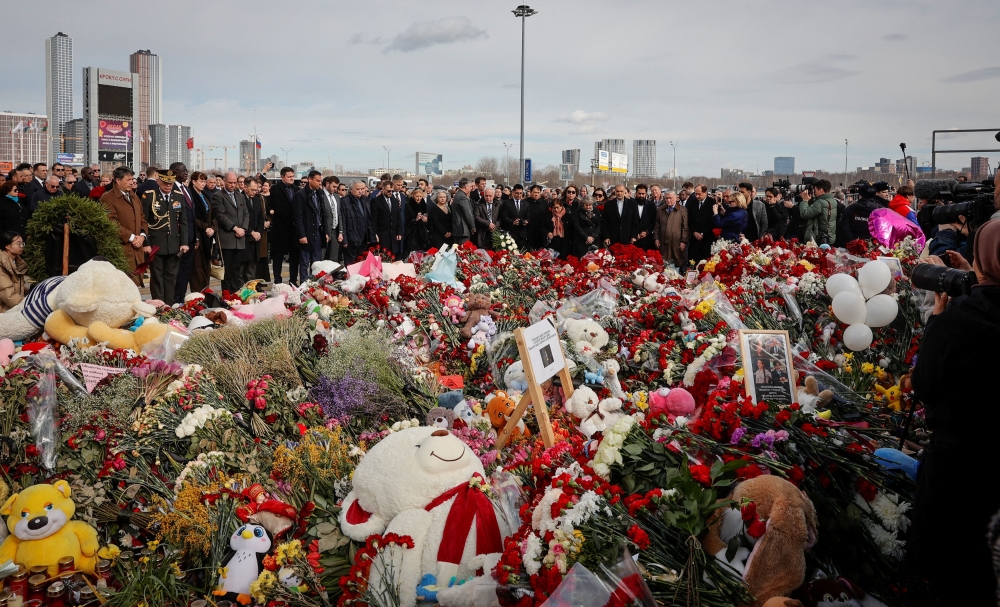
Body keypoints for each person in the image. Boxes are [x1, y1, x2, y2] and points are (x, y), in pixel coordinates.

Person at [910, 221, 1000, 604]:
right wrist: (974, 278)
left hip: (960, 466)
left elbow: (926, 384)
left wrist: (937, 322)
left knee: (956, 569)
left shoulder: (959, 320)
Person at [141, 170, 189, 305]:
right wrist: (146, 243)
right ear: (158, 182)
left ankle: (168, 306)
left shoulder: (178, 196)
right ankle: (158, 306)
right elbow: (143, 221)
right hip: (156, 243)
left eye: (171, 183)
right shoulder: (150, 196)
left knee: (171, 278)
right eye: (165, 183)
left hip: (174, 244)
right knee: (157, 277)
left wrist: (184, 242)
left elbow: (183, 221)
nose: (168, 186)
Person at [100, 167, 149, 281]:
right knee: (123, 286)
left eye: (132, 179)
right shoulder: (107, 198)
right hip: (121, 251)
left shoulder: (134, 196)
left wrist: (142, 236)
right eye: (128, 180)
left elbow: (142, 218)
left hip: (137, 250)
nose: (132, 182)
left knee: (135, 286)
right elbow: (111, 223)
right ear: (117, 180)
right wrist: (132, 238)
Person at [211, 172, 250, 293]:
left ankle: (236, 295)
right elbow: (220, 215)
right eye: (230, 183)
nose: (233, 185)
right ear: (224, 181)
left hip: (240, 239)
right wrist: (234, 228)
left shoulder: (240, 196)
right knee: (227, 272)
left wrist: (243, 228)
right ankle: (227, 296)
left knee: (237, 270)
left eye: (235, 183)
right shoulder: (218, 196)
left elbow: (246, 214)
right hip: (227, 239)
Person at [292, 170, 330, 283]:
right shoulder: (300, 195)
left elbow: (324, 215)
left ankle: (315, 284)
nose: (320, 183)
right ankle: (304, 284)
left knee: (317, 261)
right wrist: (302, 234)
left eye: (320, 181)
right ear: (310, 180)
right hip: (307, 232)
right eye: (317, 181)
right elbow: (297, 217)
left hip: (318, 232)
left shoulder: (320, 194)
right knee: (304, 261)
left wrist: (326, 232)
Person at [170, 163, 199, 303]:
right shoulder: (172, 188)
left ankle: (180, 299)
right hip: (179, 239)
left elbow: (192, 215)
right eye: (184, 170)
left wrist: (196, 236)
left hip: (191, 238)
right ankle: (174, 301)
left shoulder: (186, 189)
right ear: (175, 172)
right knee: (177, 272)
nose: (186, 173)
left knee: (186, 272)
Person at [267, 167, 299, 284]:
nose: (292, 178)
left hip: (294, 230)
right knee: (278, 256)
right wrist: (292, 219)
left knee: (295, 257)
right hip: (281, 228)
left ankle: (293, 281)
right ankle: (278, 280)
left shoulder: (296, 189)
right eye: (289, 177)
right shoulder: (276, 189)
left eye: (292, 176)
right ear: (282, 177)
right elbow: (278, 207)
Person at [187, 171, 215, 293]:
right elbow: (192, 217)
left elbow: (212, 214)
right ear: (193, 181)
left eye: (205, 181)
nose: (203, 184)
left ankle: (205, 291)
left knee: (206, 265)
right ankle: (198, 294)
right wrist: (205, 227)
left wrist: (213, 227)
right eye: (201, 181)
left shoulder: (205, 195)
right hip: (197, 234)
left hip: (207, 235)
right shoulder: (190, 195)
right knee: (197, 267)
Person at [341, 180, 374, 263]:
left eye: (362, 189)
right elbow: (343, 221)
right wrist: (344, 240)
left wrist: (370, 236)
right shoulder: (345, 202)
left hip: (364, 238)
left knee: (362, 262)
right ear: (351, 190)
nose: (361, 191)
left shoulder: (365, 200)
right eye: (358, 189)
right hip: (351, 238)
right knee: (351, 263)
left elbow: (368, 219)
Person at [370, 176, 404, 258]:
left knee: (393, 257)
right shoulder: (376, 201)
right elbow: (373, 219)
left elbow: (398, 217)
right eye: (388, 191)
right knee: (383, 256)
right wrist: (374, 234)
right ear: (383, 189)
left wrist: (399, 232)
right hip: (382, 234)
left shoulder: (395, 200)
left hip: (393, 234)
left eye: (392, 191)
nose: (390, 193)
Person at [243, 178, 269, 282]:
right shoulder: (240, 198)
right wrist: (251, 232)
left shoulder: (257, 199)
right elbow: (241, 219)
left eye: (256, 189)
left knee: (252, 269)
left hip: (256, 238)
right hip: (244, 238)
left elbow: (260, 218)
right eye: (252, 190)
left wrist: (258, 232)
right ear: (245, 187)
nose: (255, 192)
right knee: (242, 269)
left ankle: (251, 291)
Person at [655, 189, 689, 268]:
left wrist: (683, 241)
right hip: (663, 241)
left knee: (678, 261)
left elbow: (685, 227)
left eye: (670, 198)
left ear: (676, 198)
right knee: (664, 262)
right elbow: (657, 226)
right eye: (666, 198)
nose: (668, 200)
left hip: (677, 242)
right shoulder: (660, 210)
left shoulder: (682, 210)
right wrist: (656, 238)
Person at [798, 179, 837, 245]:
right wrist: (811, 199)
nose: (814, 192)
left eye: (815, 190)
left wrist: (804, 201)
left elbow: (804, 214)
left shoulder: (820, 203)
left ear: (821, 190)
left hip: (818, 239)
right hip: (829, 237)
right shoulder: (832, 201)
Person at [685, 185, 715, 262]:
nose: (697, 196)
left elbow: (712, 221)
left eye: (699, 194)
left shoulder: (712, 202)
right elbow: (689, 219)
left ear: (705, 192)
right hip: (695, 238)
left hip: (707, 237)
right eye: (696, 194)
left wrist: (703, 233)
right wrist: (694, 232)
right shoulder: (692, 203)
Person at [0, 231, 27, 313]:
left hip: (12, 309)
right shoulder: (1, 264)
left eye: (22, 243)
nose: (22, 246)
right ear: (7, 246)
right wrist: (25, 304)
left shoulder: (17, 263)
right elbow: (7, 292)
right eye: (18, 243)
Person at [499, 184, 530, 249]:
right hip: (510, 234)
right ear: (513, 192)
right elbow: (504, 217)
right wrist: (512, 222)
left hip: (522, 234)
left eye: (520, 193)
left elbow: (528, 217)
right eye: (517, 193)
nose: (519, 195)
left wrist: (526, 222)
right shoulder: (506, 203)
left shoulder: (526, 204)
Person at [474, 186, 501, 250]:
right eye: (486, 196)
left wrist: (494, 226)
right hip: (483, 232)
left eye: (490, 196)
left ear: (494, 196)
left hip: (495, 232)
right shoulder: (478, 204)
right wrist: (488, 224)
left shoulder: (499, 204)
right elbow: (476, 217)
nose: (488, 198)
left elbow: (501, 218)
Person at [322, 176, 341, 262]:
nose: (335, 189)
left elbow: (339, 214)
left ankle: (332, 275)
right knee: (321, 257)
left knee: (333, 258)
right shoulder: (320, 195)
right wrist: (324, 232)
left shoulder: (336, 197)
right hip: (324, 231)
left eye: (337, 187)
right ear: (327, 184)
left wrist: (341, 231)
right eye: (334, 186)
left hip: (335, 231)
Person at [451, 178, 476, 246]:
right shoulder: (462, 197)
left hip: (458, 230)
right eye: (471, 186)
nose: (472, 188)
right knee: (463, 252)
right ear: (466, 186)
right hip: (462, 230)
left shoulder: (458, 194)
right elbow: (468, 213)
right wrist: (473, 227)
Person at [405, 187, 430, 254]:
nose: (419, 198)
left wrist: (426, 219)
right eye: (417, 196)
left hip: (423, 232)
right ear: (413, 196)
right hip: (412, 233)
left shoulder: (424, 205)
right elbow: (406, 220)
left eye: (420, 196)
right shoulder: (408, 206)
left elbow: (429, 219)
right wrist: (415, 219)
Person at [633, 184, 657, 250]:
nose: (641, 196)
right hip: (633, 239)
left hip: (647, 239)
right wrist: (634, 233)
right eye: (639, 193)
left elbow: (653, 220)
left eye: (643, 194)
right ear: (636, 193)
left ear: (646, 194)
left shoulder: (651, 205)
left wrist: (647, 232)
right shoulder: (630, 204)